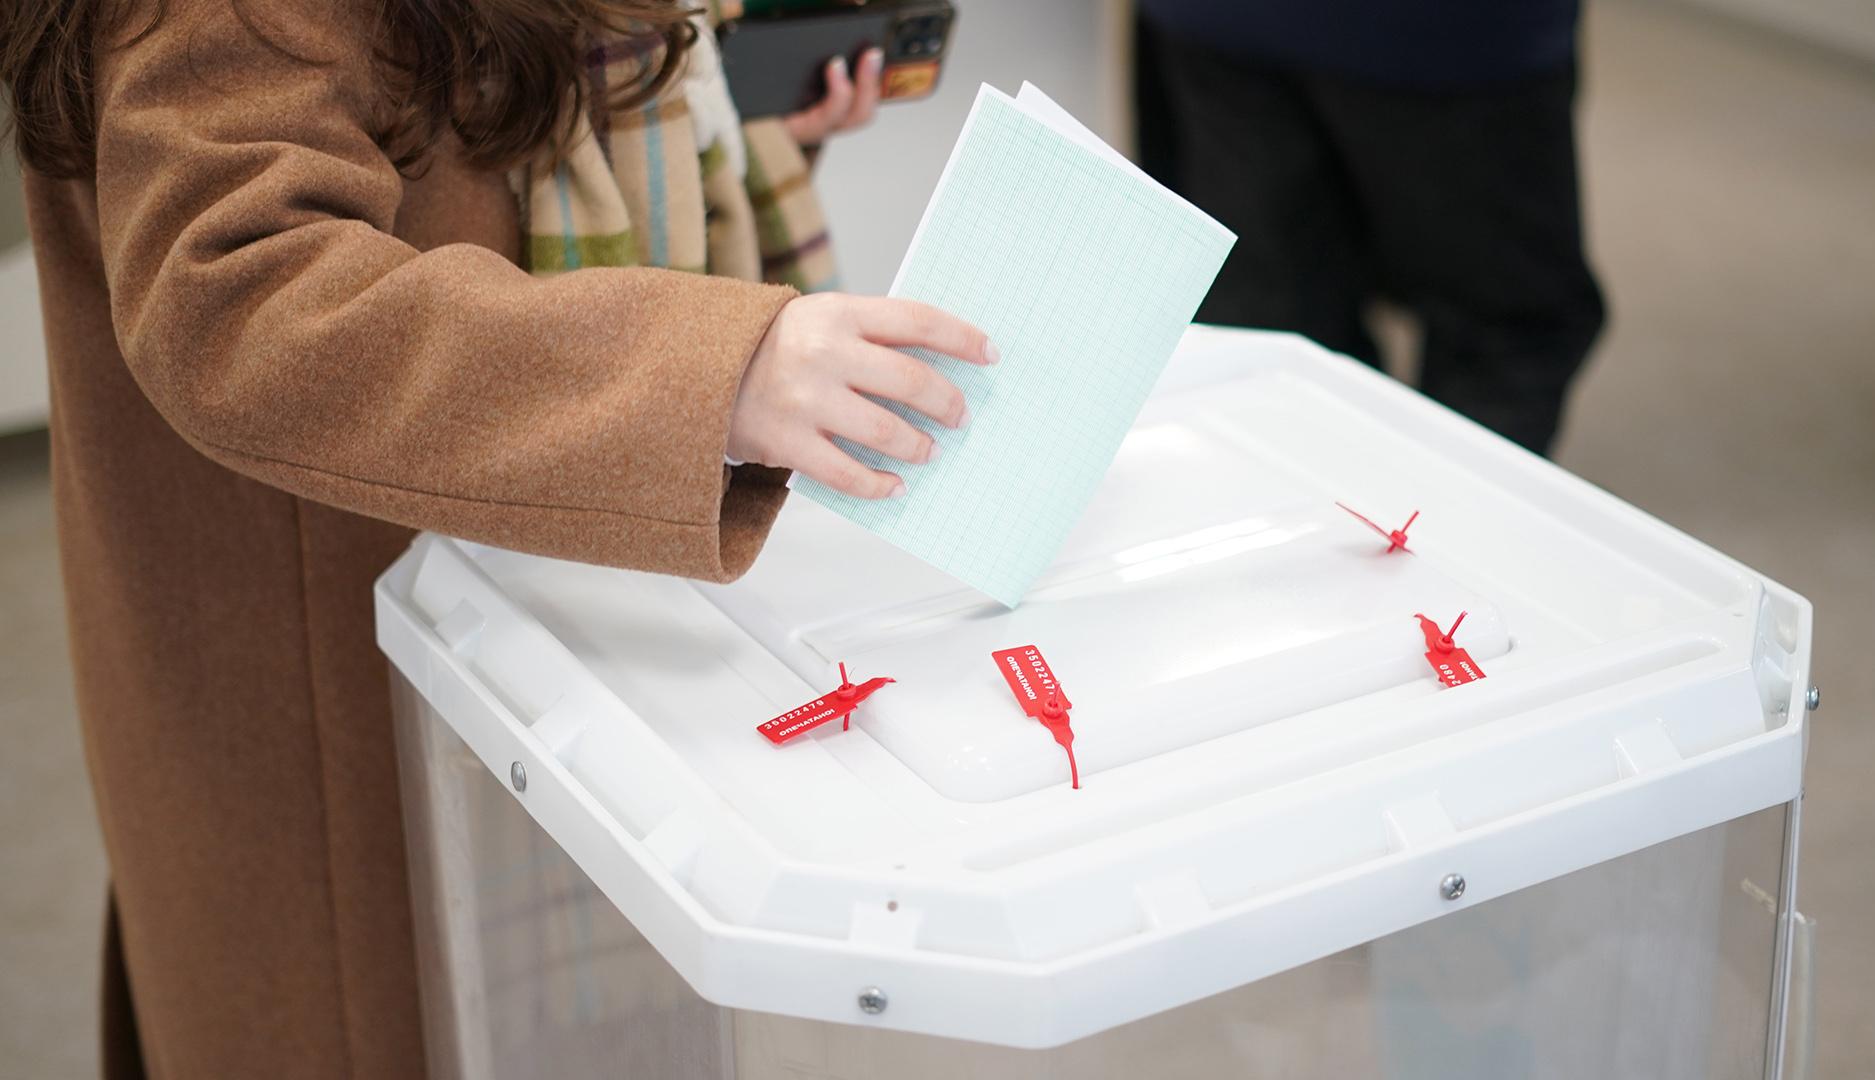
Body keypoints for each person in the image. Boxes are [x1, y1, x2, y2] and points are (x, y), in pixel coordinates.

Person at [1, 1, 991, 1074]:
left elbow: (478, 120)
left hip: (507, 624)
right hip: (342, 679)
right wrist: (714, 373)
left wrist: (725, 125)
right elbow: (238, 290)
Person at [1134, 0, 1607, 456]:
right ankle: (1432, 506)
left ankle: (1347, 501)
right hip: (1446, 36)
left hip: (1220, 22)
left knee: (1277, 317)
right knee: (1498, 339)